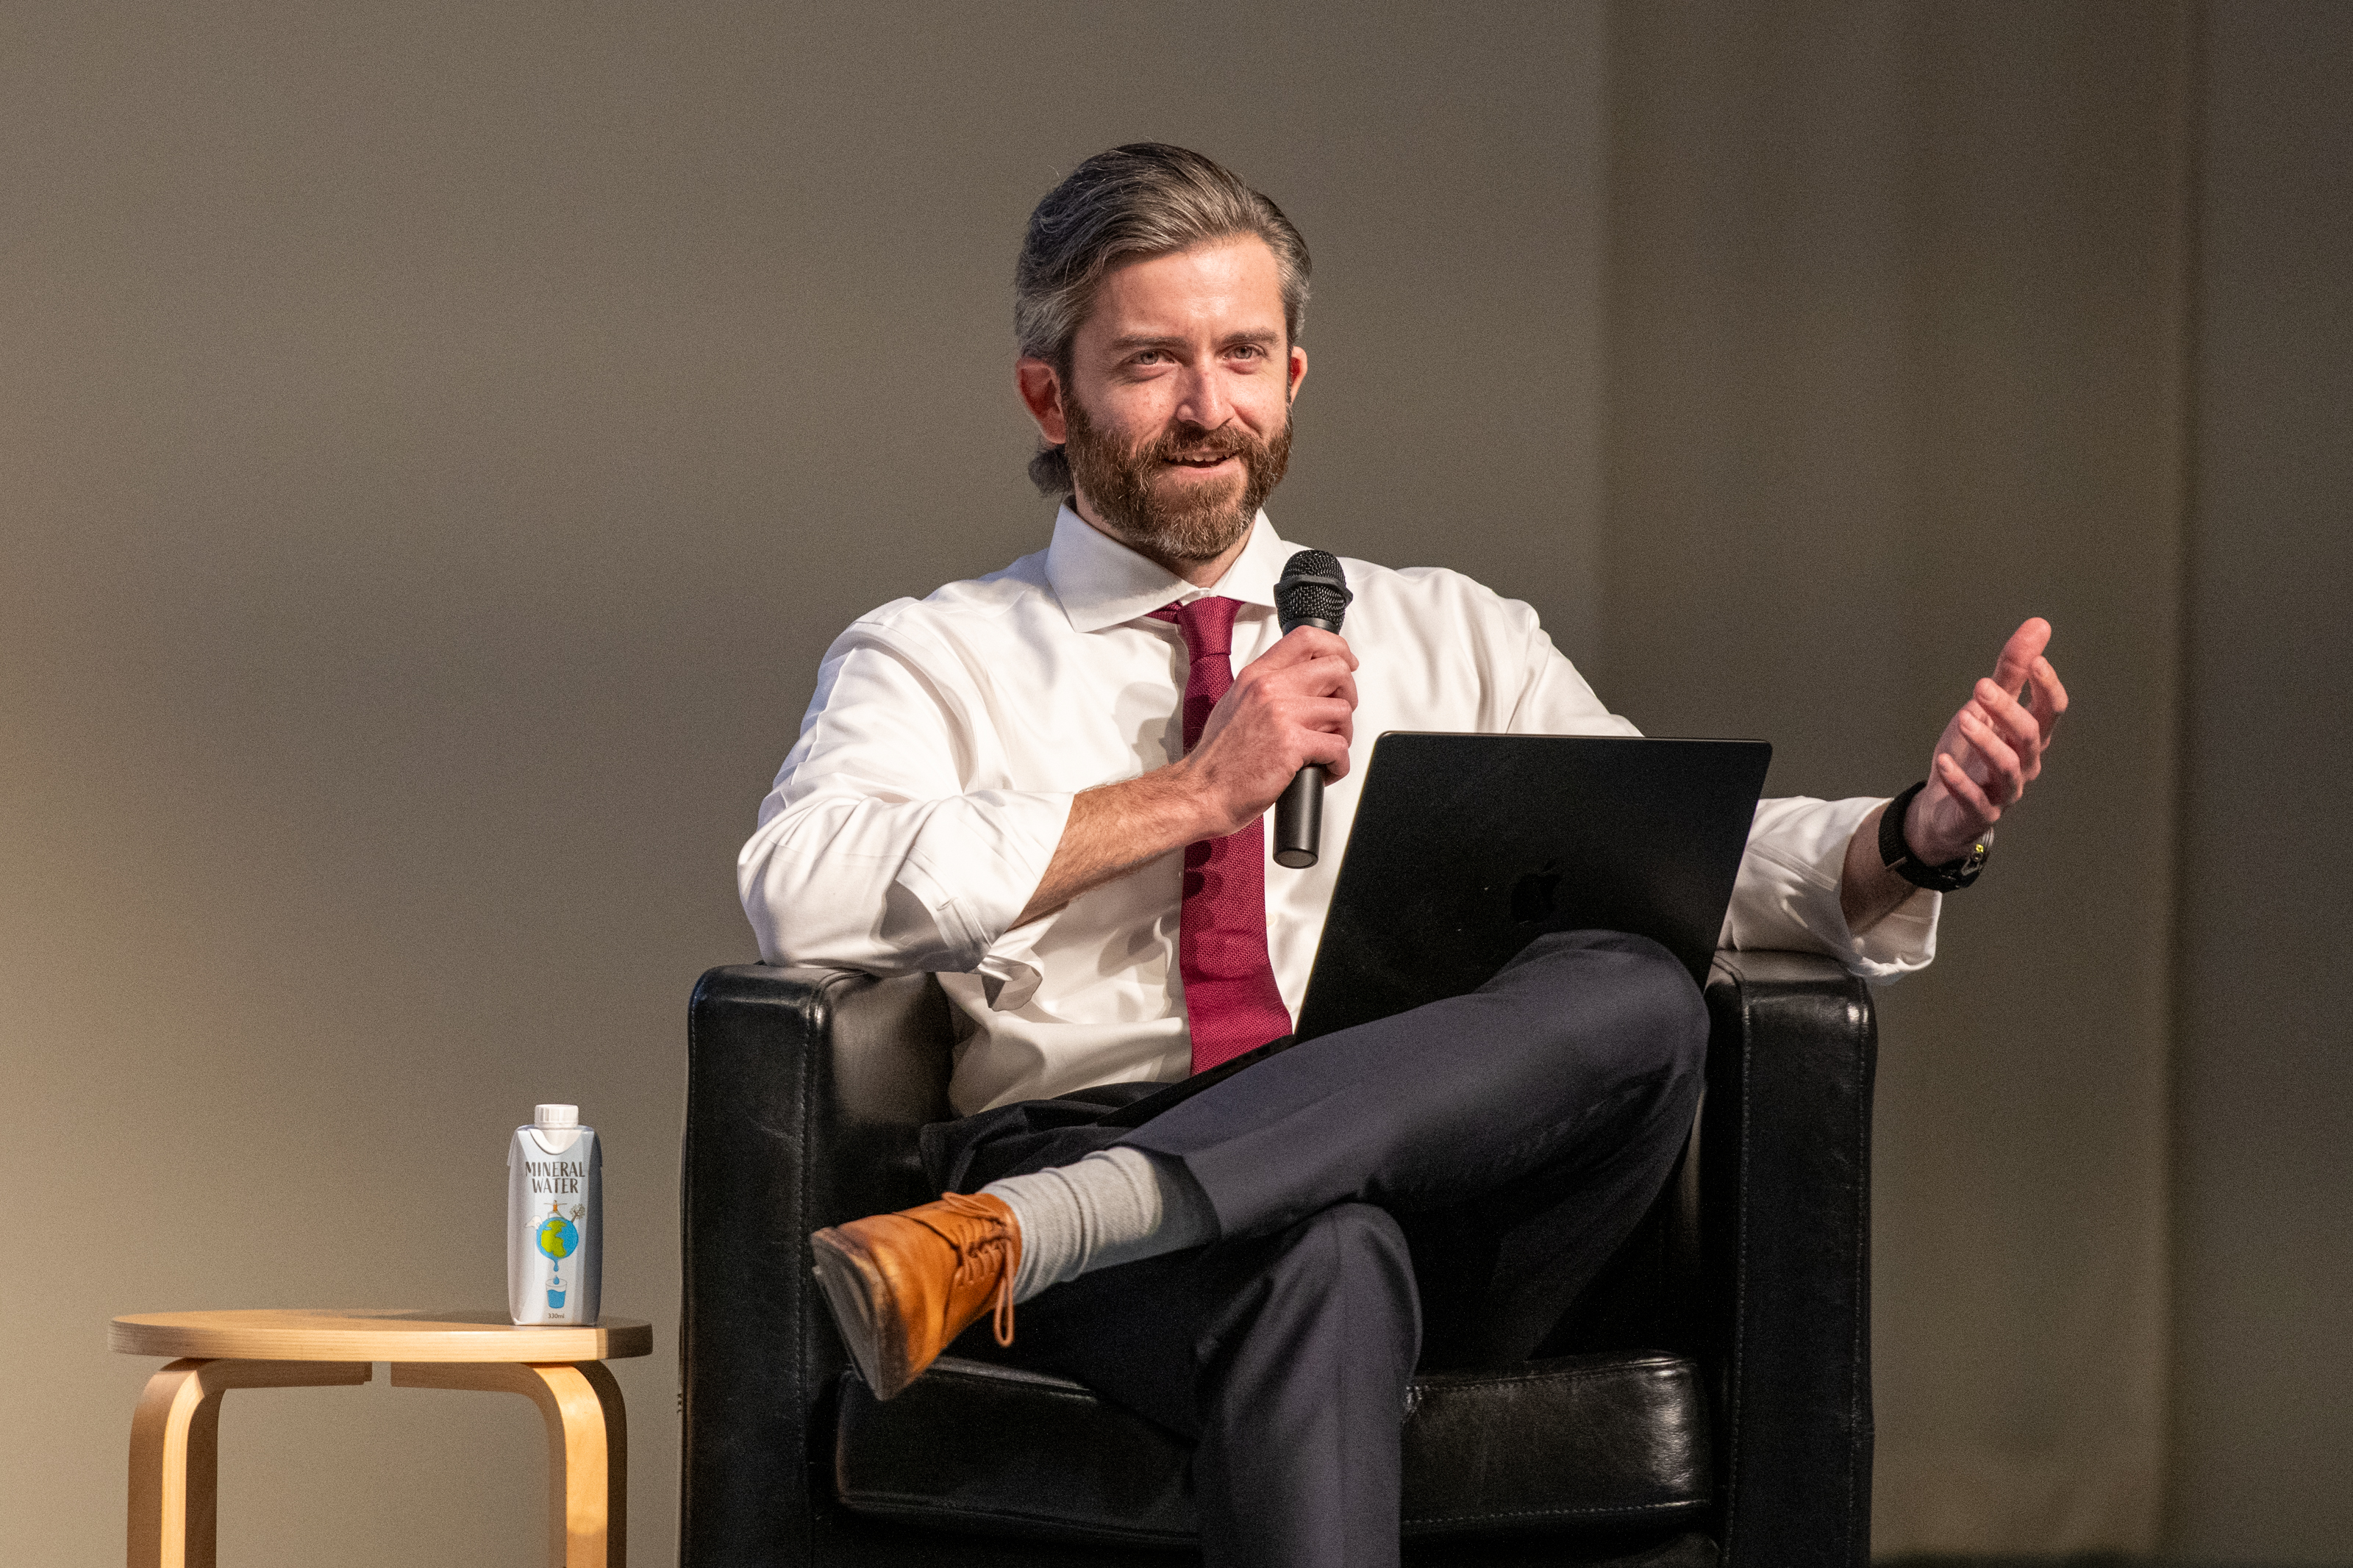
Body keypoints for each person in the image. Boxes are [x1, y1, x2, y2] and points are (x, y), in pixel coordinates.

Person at [738, 143, 2065, 1568]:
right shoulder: (935, 651)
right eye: (1152, 362)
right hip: (1112, 1172)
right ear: (1046, 393)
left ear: (1295, 375)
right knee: (1323, 1251)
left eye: (1243, 354)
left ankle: (1010, 1232)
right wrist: (1190, 792)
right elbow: (800, 882)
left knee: (1633, 977)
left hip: (1453, 1192)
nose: (1207, 407)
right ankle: (1091, 1203)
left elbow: (1686, 860)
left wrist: (1911, 837)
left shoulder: (1454, 629)